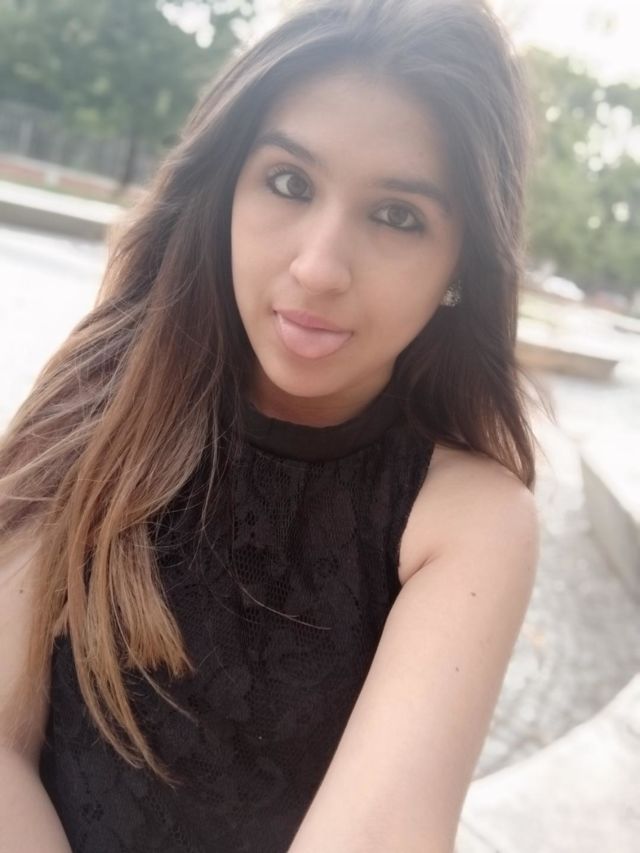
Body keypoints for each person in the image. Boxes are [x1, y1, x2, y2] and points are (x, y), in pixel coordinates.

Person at [0, 0, 540, 850]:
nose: (319, 268)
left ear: (460, 268)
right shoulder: (102, 401)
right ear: (225, 188)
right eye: (289, 182)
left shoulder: (466, 517)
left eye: (397, 215)